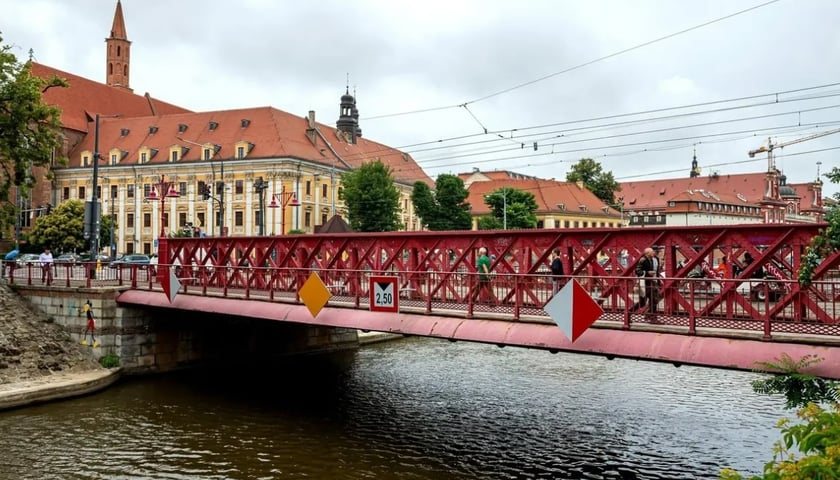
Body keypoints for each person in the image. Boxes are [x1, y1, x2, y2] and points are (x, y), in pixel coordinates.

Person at [631, 247, 661, 315]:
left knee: (654, 300)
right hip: (645, 283)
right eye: (652, 252)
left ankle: (651, 317)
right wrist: (647, 273)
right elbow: (637, 271)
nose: (653, 253)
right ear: (648, 253)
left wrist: (658, 282)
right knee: (643, 302)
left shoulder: (655, 259)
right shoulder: (643, 260)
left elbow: (657, 272)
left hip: (652, 282)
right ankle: (629, 312)